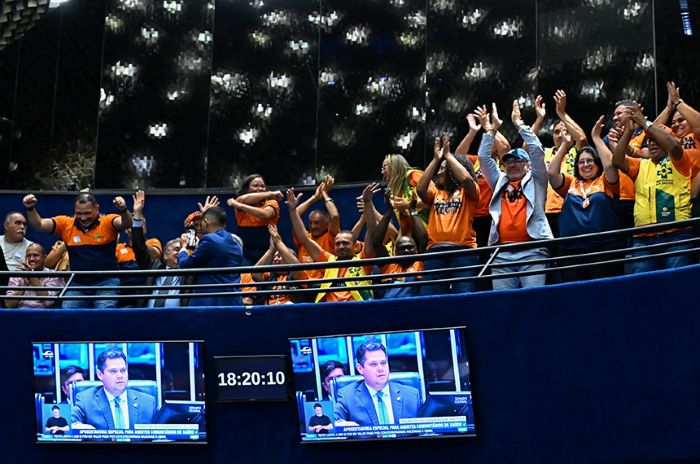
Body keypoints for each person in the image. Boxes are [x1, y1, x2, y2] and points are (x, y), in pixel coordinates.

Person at [476, 101, 553, 290]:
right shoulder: (499, 181)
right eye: (508, 162)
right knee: (503, 303)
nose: (511, 165)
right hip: (501, 254)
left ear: (528, 165)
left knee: (532, 301)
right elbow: (483, 158)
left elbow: (536, 150)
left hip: (532, 252)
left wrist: (519, 124)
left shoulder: (537, 179)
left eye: (517, 161)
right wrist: (491, 131)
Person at [612, 103, 693, 273]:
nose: (652, 144)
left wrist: (644, 123)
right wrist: (629, 131)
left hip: (676, 235)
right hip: (643, 239)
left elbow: (673, 146)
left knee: (677, 283)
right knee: (643, 285)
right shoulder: (641, 164)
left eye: (657, 140)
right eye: (649, 140)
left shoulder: (680, 160)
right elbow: (617, 160)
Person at [22, 192, 132, 308]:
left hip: (106, 282)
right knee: (67, 312)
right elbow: (39, 224)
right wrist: (30, 208)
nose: (83, 218)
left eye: (87, 213)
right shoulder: (66, 224)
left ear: (97, 208)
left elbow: (127, 223)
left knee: (105, 311)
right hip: (78, 283)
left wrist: (123, 210)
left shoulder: (107, 221)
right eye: (79, 213)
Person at [547, 117, 621, 281]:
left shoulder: (605, 181)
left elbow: (610, 165)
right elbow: (551, 173)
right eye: (581, 162)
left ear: (597, 163)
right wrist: (565, 145)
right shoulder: (571, 182)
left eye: (590, 160)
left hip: (603, 248)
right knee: (575, 292)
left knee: (602, 291)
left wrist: (596, 138)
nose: (586, 164)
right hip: (571, 251)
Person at [416, 134, 480, 295]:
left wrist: (449, 156)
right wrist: (436, 159)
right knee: (431, 299)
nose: (439, 172)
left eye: (443, 169)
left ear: (452, 171)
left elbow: (466, 179)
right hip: (435, 252)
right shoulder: (436, 194)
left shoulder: (468, 192)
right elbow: (420, 189)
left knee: (463, 297)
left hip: (463, 252)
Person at [287, 187, 374, 303]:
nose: (341, 246)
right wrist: (293, 211)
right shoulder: (329, 260)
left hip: (356, 308)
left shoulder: (363, 260)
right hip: (329, 309)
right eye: (337, 244)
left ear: (356, 246)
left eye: (345, 243)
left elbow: (372, 231)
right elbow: (304, 238)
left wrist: (368, 204)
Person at [334, 341, 421, 427]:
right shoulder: (348, 396)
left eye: (383, 363)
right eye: (373, 364)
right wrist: (341, 425)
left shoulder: (411, 395)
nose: (380, 368)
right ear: (360, 369)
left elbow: (425, 429)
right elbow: (331, 423)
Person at [131, 191, 193, 307]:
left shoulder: (188, 273)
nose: (180, 252)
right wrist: (138, 214)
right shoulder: (154, 267)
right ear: (165, 255)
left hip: (178, 316)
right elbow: (139, 246)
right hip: (149, 315)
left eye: (183, 249)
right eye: (177, 249)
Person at [362, 185, 426, 299]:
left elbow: (423, 239)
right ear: (395, 251)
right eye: (401, 248)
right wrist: (389, 211)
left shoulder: (421, 263)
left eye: (409, 247)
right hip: (391, 306)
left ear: (416, 249)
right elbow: (377, 242)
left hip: (415, 306)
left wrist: (412, 210)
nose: (406, 250)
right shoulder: (388, 265)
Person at [72, 349, 157, 430]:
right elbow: (70, 425)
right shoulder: (85, 401)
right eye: (113, 371)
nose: (120, 375)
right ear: (100, 374)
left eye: (123, 370)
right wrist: (76, 427)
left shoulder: (148, 402)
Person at [178, 206, 244, 306]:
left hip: (210, 303)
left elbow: (184, 265)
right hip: (233, 301)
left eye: (201, 223)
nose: (200, 227)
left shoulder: (209, 240)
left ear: (206, 221)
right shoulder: (236, 241)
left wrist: (183, 247)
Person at [291, 176, 340, 280]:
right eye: (310, 223)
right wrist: (315, 197)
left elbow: (335, 216)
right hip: (303, 284)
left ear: (326, 224)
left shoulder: (330, 237)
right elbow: (295, 214)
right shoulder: (304, 236)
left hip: (323, 283)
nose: (313, 226)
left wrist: (324, 193)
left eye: (317, 223)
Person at [227, 174, 282, 265]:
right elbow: (241, 200)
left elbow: (265, 214)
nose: (260, 189)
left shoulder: (271, 202)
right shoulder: (241, 201)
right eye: (255, 186)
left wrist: (239, 206)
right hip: (246, 254)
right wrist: (271, 193)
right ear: (247, 189)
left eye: (262, 186)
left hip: (268, 252)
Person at [251, 225, 309, 305]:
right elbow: (255, 273)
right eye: (274, 257)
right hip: (269, 310)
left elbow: (296, 265)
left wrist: (278, 242)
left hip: (289, 311)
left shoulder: (297, 275)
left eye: (279, 256)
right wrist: (271, 250)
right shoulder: (269, 275)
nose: (275, 259)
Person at [381, 154, 431, 245]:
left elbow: (434, 199)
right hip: (415, 239)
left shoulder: (414, 176)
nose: (382, 172)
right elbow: (405, 225)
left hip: (430, 233)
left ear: (394, 165)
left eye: (384, 167)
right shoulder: (397, 191)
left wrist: (408, 205)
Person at [5, 243, 64, 308]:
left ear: (44, 258)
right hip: (20, 312)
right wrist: (24, 285)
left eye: (35, 255)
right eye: (28, 256)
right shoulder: (17, 275)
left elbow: (48, 301)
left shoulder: (53, 275)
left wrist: (31, 276)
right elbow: (8, 304)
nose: (31, 259)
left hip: (42, 313)